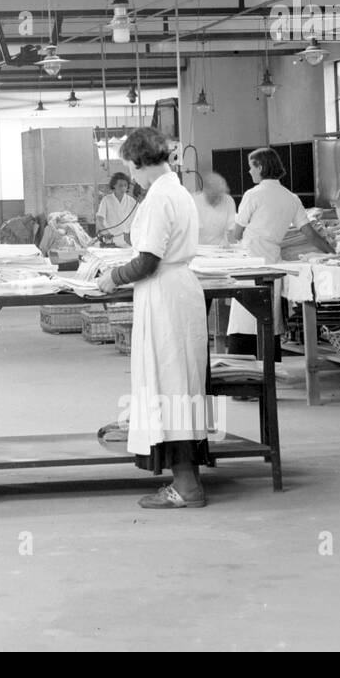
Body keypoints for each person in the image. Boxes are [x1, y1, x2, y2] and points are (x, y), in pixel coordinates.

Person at [95, 127, 210, 509]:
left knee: (171, 389)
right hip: (176, 292)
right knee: (179, 389)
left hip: (165, 297)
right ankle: (186, 481)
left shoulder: (161, 196)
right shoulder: (174, 191)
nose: (130, 173)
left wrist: (112, 278)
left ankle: (188, 487)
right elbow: (146, 243)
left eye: (129, 164)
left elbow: (147, 261)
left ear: (137, 162)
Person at [227, 147, 333, 357]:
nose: (249, 172)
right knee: (269, 312)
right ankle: (268, 361)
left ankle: (243, 360)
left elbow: (236, 233)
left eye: (251, 167)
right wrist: (333, 252)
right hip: (272, 259)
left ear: (261, 166)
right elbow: (310, 234)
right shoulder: (291, 197)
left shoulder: (253, 195)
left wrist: (225, 243)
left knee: (244, 314)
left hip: (250, 258)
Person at [193, 172, 237, 247]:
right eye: (215, 194)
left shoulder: (228, 200)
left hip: (220, 249)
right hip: (199, 249)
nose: (219, 198)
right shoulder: (193, 201)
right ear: (205, 190)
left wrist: (233, 249)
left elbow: (231, 230)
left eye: (221, 194)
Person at [96, 171, 139, 247]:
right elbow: (100, 219)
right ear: (114, 185)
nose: (123, 188)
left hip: (128, 242)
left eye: (125, 185)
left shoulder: (132, 202)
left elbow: (139, 220)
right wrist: (105, 232)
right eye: (120, 185)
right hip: (111, 240)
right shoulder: (106, 200)